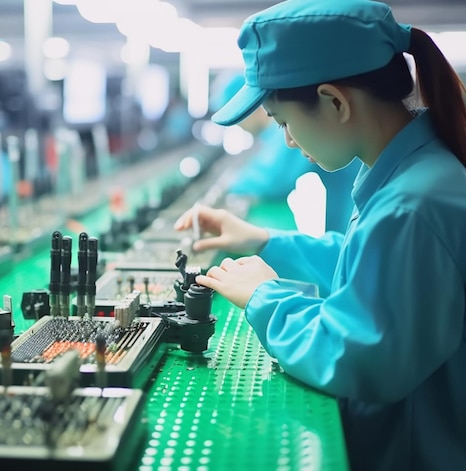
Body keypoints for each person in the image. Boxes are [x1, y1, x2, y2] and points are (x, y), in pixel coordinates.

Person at [174, 1, 466, 470]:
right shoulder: (412, 175)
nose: (288, 141)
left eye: (283, 121)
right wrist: (265, 242)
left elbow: (360, 356)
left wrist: (265, 299)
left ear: (334, 102)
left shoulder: (413, 205)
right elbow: (370, 266)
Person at [212, 73, 361, 233]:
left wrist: (223, 187)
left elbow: (274, 179)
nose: (290, 142)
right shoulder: (287, 129)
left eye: (283, 123)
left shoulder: (299, 130)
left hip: (352, 219)